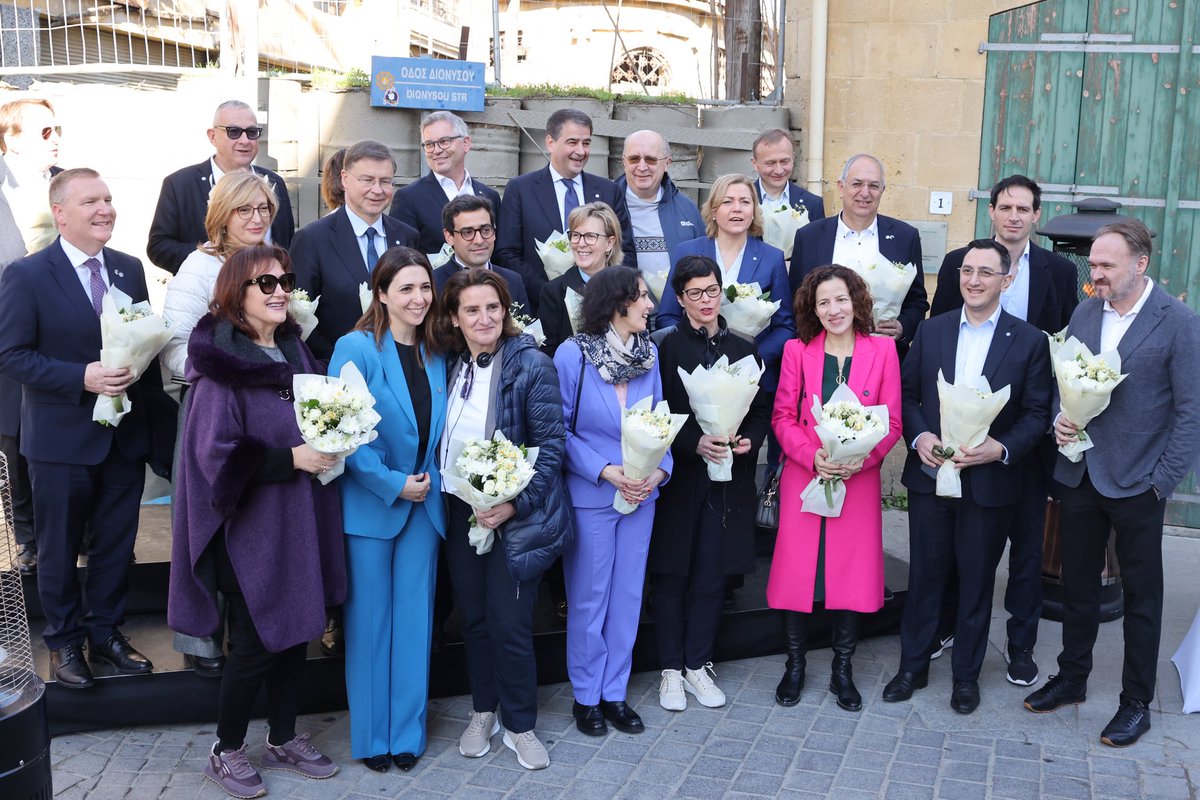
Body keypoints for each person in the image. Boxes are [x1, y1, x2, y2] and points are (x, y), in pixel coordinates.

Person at [168, 245, 343, 797]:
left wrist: (337, 436)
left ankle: (284, 737)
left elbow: (319, 414)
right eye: (264, 283)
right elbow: (214, 458)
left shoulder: (294, 350)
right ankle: (226, 749)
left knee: (297, 632)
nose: (279, 290)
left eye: (284, 280)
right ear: (234, 294)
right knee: (253, 643)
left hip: (298, 518)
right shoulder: (221, 368)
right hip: (247, 530)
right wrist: (290, 458)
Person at [1024, 220, 1200, 747]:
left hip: (1139, 484)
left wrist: (1161, 482)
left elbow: (1191, 412)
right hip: (1079, 474)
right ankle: (1073, 678)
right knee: (1077, 587)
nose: (1093, 275)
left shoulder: (1179, 322)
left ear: (1139, 265)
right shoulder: (1084, 311)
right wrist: (1059, 417)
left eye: (1105, 266)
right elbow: (1066, 378)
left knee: (1142, 601)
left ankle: (1135, 702)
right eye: (1092, 265)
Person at [0, 168, 175, 689]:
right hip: (59, 442)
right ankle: (64, 642)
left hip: (121, 440)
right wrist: (81, 377)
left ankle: (106, 635)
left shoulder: (127, 269)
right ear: (60, 214)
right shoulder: (27, 275)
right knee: (58, 548)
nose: (105, 209)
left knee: (117, 546)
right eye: (91, 202)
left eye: (109, 200)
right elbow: (10, 355)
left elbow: (140, 344)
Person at [883, 239, 1051, 715]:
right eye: (967, 272)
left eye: (985, 272)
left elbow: (1037, 413)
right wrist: (919, 440)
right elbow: (909, 395)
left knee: (976, 582)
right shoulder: (933, 332)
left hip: (988, 484)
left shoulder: (1030, 340)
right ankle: (912, 667)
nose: (974, 280)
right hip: (931, 476)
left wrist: (1002, 448)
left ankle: (966, 677)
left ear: (1007, 279)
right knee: (926, 577)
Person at [926, 174, 1080, 683]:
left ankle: (1020, 645)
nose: (1014, 216)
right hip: (962, 440)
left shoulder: (1058, 270)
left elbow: (1066, 348)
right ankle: (946, 627)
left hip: (1027, 440)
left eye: (1024, 208)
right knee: (960, 542)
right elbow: (940, 337)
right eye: (1005, 207)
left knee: (1027, 551)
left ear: (1037, 216)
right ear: (991, 211)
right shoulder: (959, 264)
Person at [433, 268, 571, 770]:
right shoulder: (448, 363)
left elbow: (552, 446)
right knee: (474, 620)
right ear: (455, 317)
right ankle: (483, 710)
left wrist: (514, 504)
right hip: (459, 509)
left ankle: (521, 723)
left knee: (510, 623)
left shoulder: (531, 364)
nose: (484, 317)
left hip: (516, 515)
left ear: (506, 310)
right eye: (471, 309)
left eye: (493, 307)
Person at [326, 247, 446, 773]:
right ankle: (373, 737)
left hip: (427, 505)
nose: (418, 299)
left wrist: (429, 483)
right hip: (374, 504)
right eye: (406, 289)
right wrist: (394, 484)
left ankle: (406, 734)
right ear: (381, 293)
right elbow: (341, 430)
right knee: (370, 624)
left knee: (414, 622)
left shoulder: (440, 349)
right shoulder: (355, 347)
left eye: (425, 288)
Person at [161, 170, 278, 679]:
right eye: (244, 210)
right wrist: (234, 368)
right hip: (212, 411)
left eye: (264, 210)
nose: (256, 219)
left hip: (265, 413)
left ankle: (259, 626)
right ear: (221, 216)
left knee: (257, 522)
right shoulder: (198, 266)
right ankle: (201, 637)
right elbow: (172, 347)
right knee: (205, 522)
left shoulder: (271, 261)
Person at [768, 265, 902, 711]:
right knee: (796, 571)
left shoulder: (883, 351)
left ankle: (842, 670)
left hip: (857, 478)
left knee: (850, 572)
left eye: (841, 299)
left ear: (856, 301)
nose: (833, 309)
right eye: (823, 302)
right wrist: (813, 457)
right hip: (806, 474)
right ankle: (794, 666)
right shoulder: (796, 350)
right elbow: (783, 417)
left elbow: (893, 421)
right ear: (813, 308)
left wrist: (860, 459)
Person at [650, 255, 770, 712]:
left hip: (728, 481)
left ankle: (698, 665)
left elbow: (760, 408)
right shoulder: (664, 347)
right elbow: (654, 412)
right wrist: (693, 443)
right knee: (671, 574)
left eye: (712, 290)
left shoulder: (744, 346)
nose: (706, 300)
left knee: (710, 574)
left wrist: (749, 442)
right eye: (695, 292)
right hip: (679, 479)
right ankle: (670, 669)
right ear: (679, 299)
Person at [554, 266, 666, 737]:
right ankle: (586, 695)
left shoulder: (650, 354)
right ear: (617, 302)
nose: (650, 305)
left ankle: (615, 693)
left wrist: (659, 472)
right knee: (589, 598)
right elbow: (557, 429)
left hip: (642, 496)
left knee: (627, 597)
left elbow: (660, 421)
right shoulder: (572, 355)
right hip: (593, 495)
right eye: (642, 297)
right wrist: (603, 470)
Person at [0, 97, 64, 577]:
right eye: (44, 132)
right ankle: (26, 537)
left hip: (63, 337)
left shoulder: (71, 183)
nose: (56, 138)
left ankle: (76, 533)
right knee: (12, 436)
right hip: (8, 334)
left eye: (57, 129)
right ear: (12, 138)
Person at [657, 174, 795, 395]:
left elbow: (785, 326)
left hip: (752, 380)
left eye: (745, 202)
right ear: (713, 210)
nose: (737, 209)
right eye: (728, 201)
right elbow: (668, 315)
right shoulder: (687, 251)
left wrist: (752, 358)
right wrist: (691, 352)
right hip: (694, 375)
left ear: (754, 212)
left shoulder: (772, 258)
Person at [495, 108, 636, 310]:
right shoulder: (521, 189)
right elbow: (506, 254)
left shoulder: (608, 191)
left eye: (586, 143)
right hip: (541, 308)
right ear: (550, 143)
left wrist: (603, 291)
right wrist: (551, 292)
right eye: (572, 142)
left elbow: (626, 252)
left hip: (602, 307)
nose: (581, 151)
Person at [292, 139, 419, 361]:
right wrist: (343, 359)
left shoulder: (407, 237)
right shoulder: (312, 239)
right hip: (338, 372)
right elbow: (299, 316)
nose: (377, 190)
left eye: (385, 181)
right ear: (344, 179)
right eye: (367, 180)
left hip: (403, 366)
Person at [789, 154, 926, 354]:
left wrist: (903, 327)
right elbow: (797, 298)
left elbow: (917, 300)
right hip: (822, 354)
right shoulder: (809, 237)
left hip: (884, 354)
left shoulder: (905, 237)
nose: (865, 192)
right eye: (857, 183)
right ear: (841, 187)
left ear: (882, 190)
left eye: (873, 185)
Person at [147, 100, 294, 275]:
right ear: (212, 136)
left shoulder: (275, 183)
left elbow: (287, 244)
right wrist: (216, 258)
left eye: (252, 132)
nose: (245, 140)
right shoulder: (180, 184)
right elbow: (159, 247)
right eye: (234, 132)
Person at [388, 111, 502, 255]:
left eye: (444, 142)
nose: (436, 150)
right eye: (429, 144)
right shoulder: (408, 198)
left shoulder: (489, 195)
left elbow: (498, 254)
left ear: (466, 143)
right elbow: (401, 259)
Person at [614, 129, 703, 287]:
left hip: (674, 308)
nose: (642, 167)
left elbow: (703, 264)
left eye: (651, 160)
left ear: (667, 163)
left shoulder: (687, 210)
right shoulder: (608, 205)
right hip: (620, 307)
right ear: (624, 161)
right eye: (634, 159)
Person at [538, 201, 623, 356]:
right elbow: (547, 352)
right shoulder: (553, 292)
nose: (581, 244)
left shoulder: (628, 287)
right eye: (576, 235)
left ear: (610, 243)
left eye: (590, 236)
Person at [433, 194, 529, 310]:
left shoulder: (513, 281)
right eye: (467, 232)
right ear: (449, 237)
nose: (479, 240)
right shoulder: (433, 283)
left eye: (486, 230)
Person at [749, 128, 825, 223]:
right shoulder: (742, 201)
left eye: (784, 161)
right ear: (755, 164)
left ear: (793, 158)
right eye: (770, 163)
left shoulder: (813, 204)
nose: (779, 170)